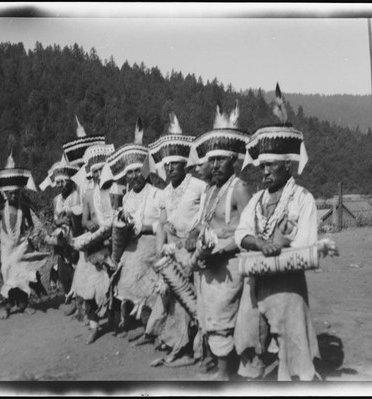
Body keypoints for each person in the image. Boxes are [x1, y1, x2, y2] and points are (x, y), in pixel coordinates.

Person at [233, 120, 320, 381]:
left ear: (287, 165)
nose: (265, 171)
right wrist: (259, 243)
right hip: (255, 285)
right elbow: (241, 233)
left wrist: (279, 245)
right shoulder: (257, 200)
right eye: (262, 166)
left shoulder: (302, 199)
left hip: (287, 287)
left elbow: (305, 243)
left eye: (271, 165)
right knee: (250, 345)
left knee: (294, 355)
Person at [136, 112, 207, 367]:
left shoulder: (200, 186)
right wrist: (160, 255)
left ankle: (195, 349)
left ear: (184, 164)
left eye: (174, 165)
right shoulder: (165, 193)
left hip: (192, 249)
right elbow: (162, 226)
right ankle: (178, 345)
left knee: (192, 298)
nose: (169, 169)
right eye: (166, 165)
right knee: (172, 299)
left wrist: (193, 238)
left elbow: (204, 218)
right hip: (171, 250)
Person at [191, 102, 253, 380]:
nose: (215, 165)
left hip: (228, 264)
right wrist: (194, 239)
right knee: (206, 314)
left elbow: (247, 230)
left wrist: (220, 248)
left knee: (221, 317)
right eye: (212, 160)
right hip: (207, 263)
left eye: (221, 160)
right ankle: (216, 363)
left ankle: (225, 373)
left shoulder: (238, 188)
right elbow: (202, 223)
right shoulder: (209, 190)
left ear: (234, 161)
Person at [100, 118, 163, 339]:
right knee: (117, 270)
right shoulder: (126, 197)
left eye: (138, 171)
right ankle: (121, 319)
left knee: (137, 273)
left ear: (145, 172)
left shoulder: (157, 194)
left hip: (152, 245)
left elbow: (165, 224)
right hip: (131, 246)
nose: (134, 176)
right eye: (130, 173)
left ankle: (152, 327)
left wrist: (144, 227)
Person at [0, 153, 49, 320]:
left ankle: (23, 305)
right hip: (6, 247)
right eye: (11, 193)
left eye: (16, 193)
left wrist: (30, 235)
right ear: (5, 192)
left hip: (20, 246)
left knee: (22, 273)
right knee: (7, 275)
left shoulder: (25, 208)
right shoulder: (0, 210)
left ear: (19, 193)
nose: (14, 196)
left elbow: (30, 225)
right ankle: (7, 307)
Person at [66, 143, 116, 344]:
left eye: (101, 171)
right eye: (94, 172)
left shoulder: (115, 191)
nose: (97, 175)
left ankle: (116, 319)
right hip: (94, 245)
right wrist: (91, 225)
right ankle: (94, 325)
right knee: (88, 289)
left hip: (112, 244)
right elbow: (84, 221)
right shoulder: (88, 195)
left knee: (114, 287)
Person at [39, 156, 81, 315]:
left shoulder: (77, 195)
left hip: (75, 239)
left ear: (70, 180)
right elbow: (54, 220)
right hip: (61, 241)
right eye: (58, 182)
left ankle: (80, 302)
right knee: (63, 273)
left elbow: (80, 216)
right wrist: (57, 223)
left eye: (64, 181)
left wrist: (69, 218)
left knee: (76, 270)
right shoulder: (56, 200)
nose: (61, 185)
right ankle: (71, 299)